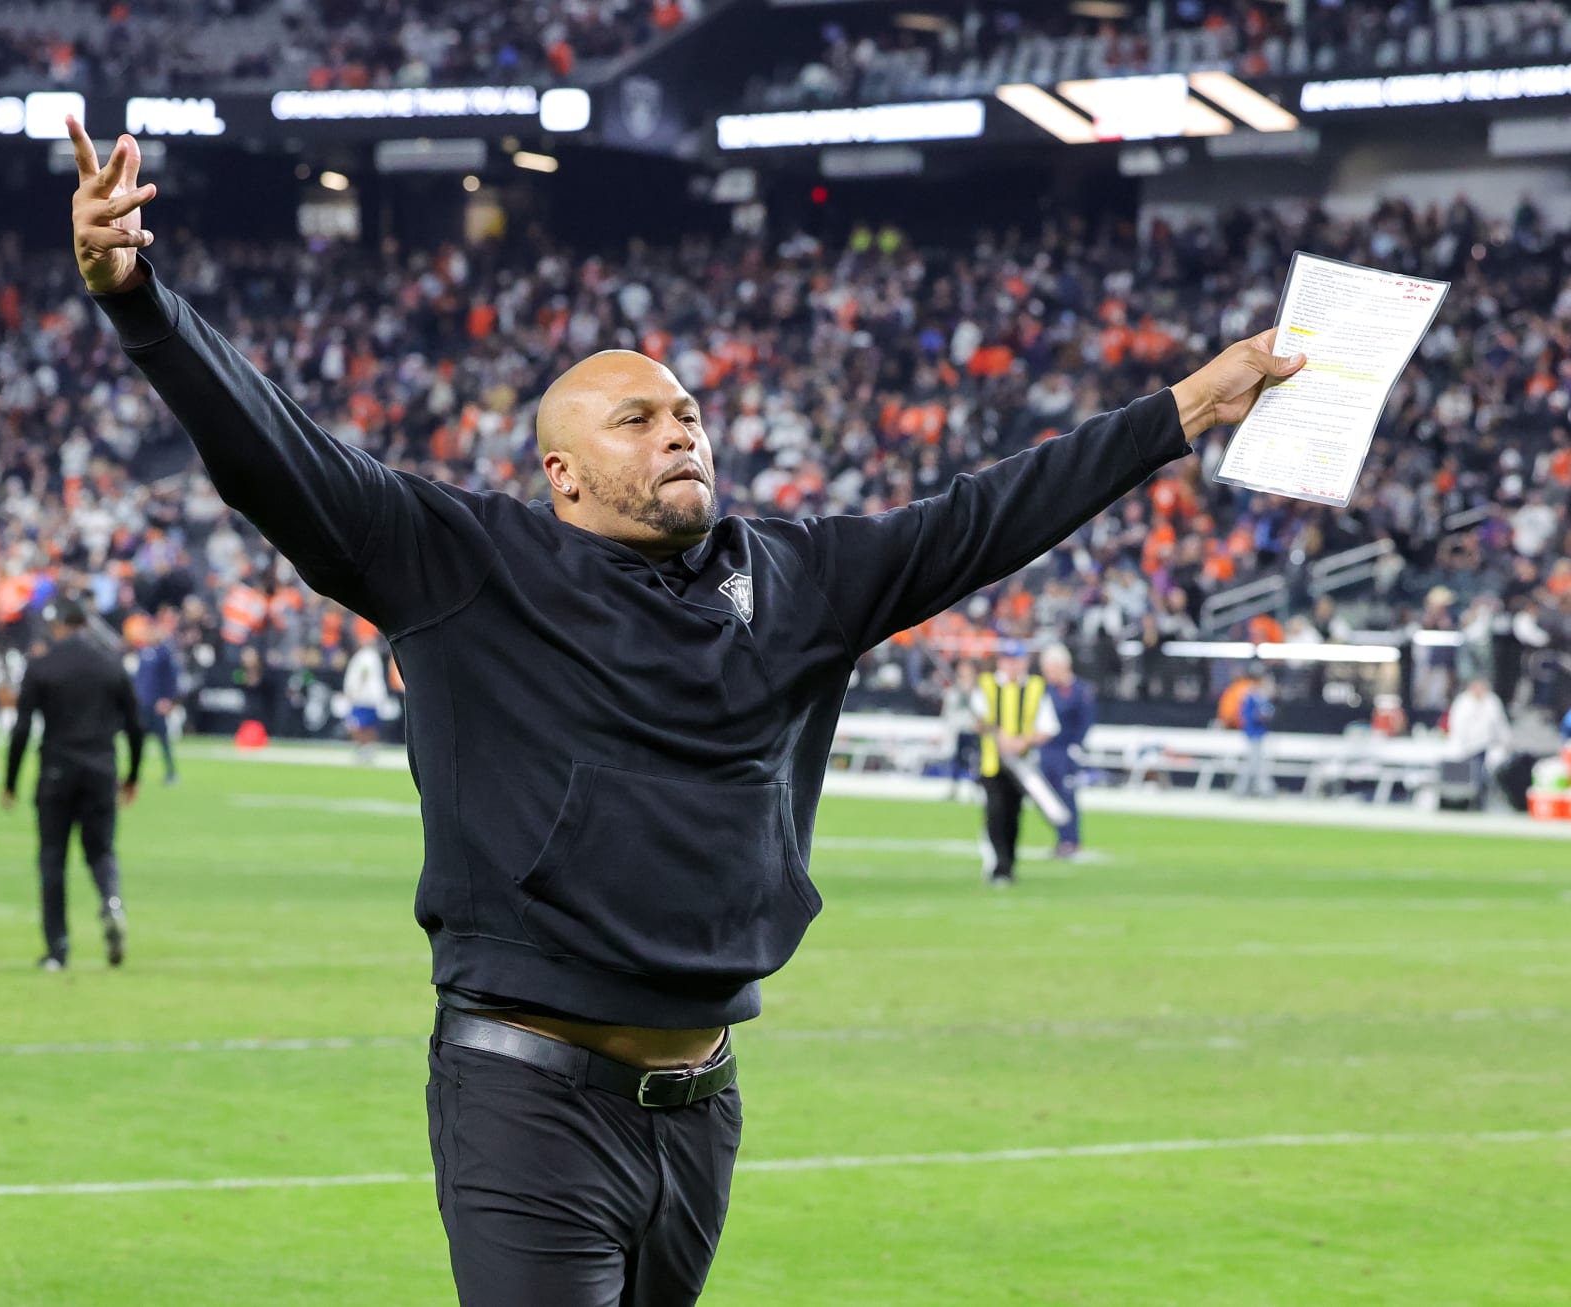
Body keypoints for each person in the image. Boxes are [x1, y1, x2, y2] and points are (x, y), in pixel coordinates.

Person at [69, 120, 1307, 1307]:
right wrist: (140, 303)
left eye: (690, 414)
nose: (681, 432)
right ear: (561, 472)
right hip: (528, 1096)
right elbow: (275, 452)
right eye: (639, 419)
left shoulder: (797, 575)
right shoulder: (466, 563)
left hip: (703, 1100)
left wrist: (1190, 407)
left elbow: (985, 517)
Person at [3, 597, 144, 970]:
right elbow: (135, 725)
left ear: (60, 625)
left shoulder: (43, 665)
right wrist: (132, 775)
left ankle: (58, 948)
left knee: (53, 857)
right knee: (101, 851)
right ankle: (112, 902)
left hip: (56, 769)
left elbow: (21, 729)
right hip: (101, 767)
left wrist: (11, 781)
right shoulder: (111, 665)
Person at [969, 641, 1060, 884]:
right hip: (993, 764)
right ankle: (999, 866)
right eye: (1007, 659)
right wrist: (997, 735)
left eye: (1016, 660)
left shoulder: (1035, 687)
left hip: (1022, 766)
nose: (1012, 665)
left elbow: (1048, 727)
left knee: (1013, 815)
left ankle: (1009, 863)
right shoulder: (986, 685)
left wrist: (1022, 741)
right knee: (995, 812)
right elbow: (976, 720)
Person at [1038, 643, 1095, 858]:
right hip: (1046, 749)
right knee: (1049, 799)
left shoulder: (1081, 690)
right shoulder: (1045, 689)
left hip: (1066, 750)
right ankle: (1061, 838)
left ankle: (1071, 840)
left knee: (1067, 796)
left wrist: (1076, 745)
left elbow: (1085, 722)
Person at [126, 613, 181, 784]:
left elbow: (171, 679)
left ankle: (171, 772)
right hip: (143, 703)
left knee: (162, 739)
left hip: (157, 703)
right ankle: (135, 773)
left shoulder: (164, 653)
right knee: (138, 740)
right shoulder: (143, 652)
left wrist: (167, 699)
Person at [1445, 675, 1511, 808]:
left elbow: (1500, 724)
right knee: (1464, 779)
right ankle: (1460, 803)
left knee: (1483, 777)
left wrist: (1507, 741)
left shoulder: (1492, 701)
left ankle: (1480, 802)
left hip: (1484, 747)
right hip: (1464, 747)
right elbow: (1457, 725)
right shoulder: (1463, 702)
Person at [343, 628, 393, 760]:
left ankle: (365, 748)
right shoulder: (371, 655)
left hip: (364, 698)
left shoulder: (366, 655)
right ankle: (366, 748)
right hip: (370, 698)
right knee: (367, 725)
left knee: (359, 725)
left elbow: (364, 674)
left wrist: (356, 691)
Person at [939, 658, 981, 801]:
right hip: (958, 730)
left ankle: (974, 790)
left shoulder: (978, 689)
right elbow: (948, 712)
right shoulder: (953, 690)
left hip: (973, 730)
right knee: (956, 761)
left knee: (974, 761)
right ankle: (954, 788)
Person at [1232, 668, 1276, 798]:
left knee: (1256, 763)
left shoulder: (1262, 697)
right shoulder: (1250, 696)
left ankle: (1254, 789)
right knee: (1253, 763)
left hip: (1260, 734)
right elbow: (1245, 716)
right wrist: (1258, 716)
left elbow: (1269, 712)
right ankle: (1245, 790)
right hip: (1252, 734)